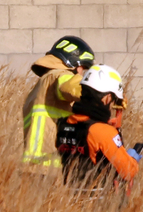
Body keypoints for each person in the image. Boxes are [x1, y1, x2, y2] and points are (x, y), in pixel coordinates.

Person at [57, 64, 141, 197]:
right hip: (97, 205)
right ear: (107, 97)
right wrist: (132, 158)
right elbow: (128, 171)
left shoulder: (64, 123)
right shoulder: (103, 132)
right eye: (112, 99)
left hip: (68, 200)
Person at [21, 35, 95, 170]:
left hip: (33, 166)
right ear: (72, 62)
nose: (81, 73)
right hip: (47, 167)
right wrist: (105, 94)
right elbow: (71, 88)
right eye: (82, 68)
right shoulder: (60, 75)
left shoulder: (41, 86)